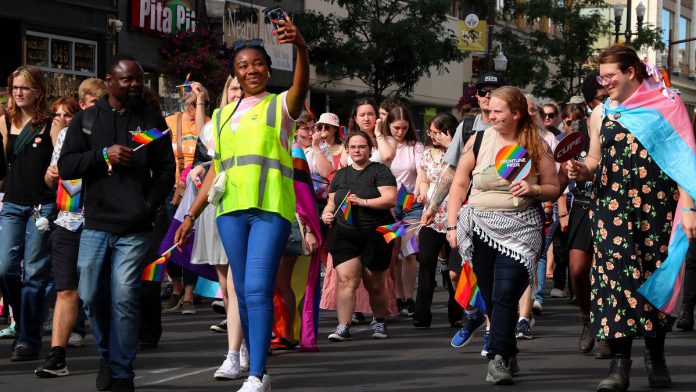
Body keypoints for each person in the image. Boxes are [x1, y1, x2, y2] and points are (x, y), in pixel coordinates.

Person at [175, 15, 309, 392]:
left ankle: (256, 374)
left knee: (255, 288)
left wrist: (300, 46)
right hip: (229, 211)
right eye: (242, 66)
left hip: (269, 210)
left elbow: (302, 82)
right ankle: (254, 364)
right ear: (234, 74)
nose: (251, 70)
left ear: (268, 68)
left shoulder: (281, 105)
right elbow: (217, 171)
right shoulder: (219, 117)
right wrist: (191, 215)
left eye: (258, 64)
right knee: (240, 292)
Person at [567, 45, 696, 392]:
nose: (604, 82)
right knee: (613, 284)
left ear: (632, 72)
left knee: (655, 281)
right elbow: (594, 160)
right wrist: (581, 171)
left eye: (610, 76)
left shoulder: (670, 106)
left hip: (656, 209)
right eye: (601, 76)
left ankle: (656, 357)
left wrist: (688, 208)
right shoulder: (601, 114)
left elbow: (684, 163)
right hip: (611, 210)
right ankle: (618, 365)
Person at [58, 54, 175, 392]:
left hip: (135, 227)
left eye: (139, 79)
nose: (135, 84)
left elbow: (166, 171)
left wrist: (149, 205)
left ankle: (123, 373)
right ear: (110, 81)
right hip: (95, 225)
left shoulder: (153, 120)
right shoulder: (86, 120)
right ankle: (109, 356)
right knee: (92, 295)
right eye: (128, 79)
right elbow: (67, 166)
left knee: (124, 295)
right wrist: (103, 155)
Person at [448, 86, 560, 385]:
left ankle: (496, 357)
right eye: (490, 111)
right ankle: (509, 349)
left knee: (506, 292)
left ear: (516, 113)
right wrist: (451, 225)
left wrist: (534, 189)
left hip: (521, 228)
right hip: (481, 226)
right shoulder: (480, 139)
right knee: (489, 294)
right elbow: (459, 184)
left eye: (498, 111)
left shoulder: (536, 144)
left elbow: (553, 186)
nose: (491, 115)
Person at [422, 72, 505, 352]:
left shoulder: (513, 126)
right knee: (457, 275)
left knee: (491, 277)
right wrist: (434, 206)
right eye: (482, 92)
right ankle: (472, 313)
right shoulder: (468, 126)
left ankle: (492, 334)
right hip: (467, 213)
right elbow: (452, 172)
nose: (487, 97)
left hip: (499, 213)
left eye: (493, 91)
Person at [35, 80, 108, 378]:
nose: (98, 108)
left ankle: (109, 354)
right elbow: (51, 179)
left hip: (102, 221)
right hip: (68, 220)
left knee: (95, 294)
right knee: (66, 289)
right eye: (93, 102)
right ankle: (57, 357)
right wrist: (51, 175)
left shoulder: (112, 133)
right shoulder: (66, 134)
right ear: (82, 104)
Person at [185, 77, 249, 380]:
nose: (237, 93)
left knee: (239, 286)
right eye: (232, 89)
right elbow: (209, 159)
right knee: (224, 284)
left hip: (247, 208)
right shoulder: (215, 125)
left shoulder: (258, 119)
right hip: (216, 206)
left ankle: (239, 350)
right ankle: (240, 343)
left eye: (241, 88)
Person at [0, 65, 56, 362]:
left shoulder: (50, 123)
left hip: (42, 206)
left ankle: (28, 338)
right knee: (5, 268)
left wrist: (57, 172)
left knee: (35, 272)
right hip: (11, 203)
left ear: (38, 91)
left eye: (24, 87)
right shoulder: (4, 121)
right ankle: (24, 323)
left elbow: (64, 163)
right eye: (15, 87)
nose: (18, 92)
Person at [322, 130, 397, 341]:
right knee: (346, 281)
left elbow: (390, 199)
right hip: (344, 233)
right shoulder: (340, 174)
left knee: (375, 284)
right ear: (347, 149)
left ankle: (380, 321)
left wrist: (363, 202)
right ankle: (343, 326)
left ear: (370, 149)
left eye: (362, 146)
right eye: (353, 147)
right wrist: (327, 214)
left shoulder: (380, 171)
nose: (357, 150)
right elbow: (331, 202)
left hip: (376, 232)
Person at [162, 82, 210, 315]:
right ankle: (177, 288)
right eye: (193, 104)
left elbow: (206, 140)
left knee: (191, 241)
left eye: (202, 103)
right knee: (172, 240)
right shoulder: (170, 122)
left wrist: (202, 106)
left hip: (199, 191)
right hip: (174, 192)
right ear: (185, 104)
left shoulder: (209, 124)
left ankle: (190, 292)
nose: (197, 108)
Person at [413, 113, 458, 328]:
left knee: (454, 269)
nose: (433, 136)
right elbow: (423, 180)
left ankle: (456, 313)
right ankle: (421, 315)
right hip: (430, 215)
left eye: (438, 132)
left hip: (454, 215)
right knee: (426, 264)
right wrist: (422, 195)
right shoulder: (427, 155)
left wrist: (452, 145)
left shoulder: (459, 152)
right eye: (431, 132)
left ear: (449, 132)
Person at [386, 105, 424, 316]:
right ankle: (397, 297)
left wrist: (417, 193)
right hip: (389, 203)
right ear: (388, 125)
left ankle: (409, 298)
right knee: (394, 254)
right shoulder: (382, 145)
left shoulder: (415, 146)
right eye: (396, 127)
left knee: (409, 252)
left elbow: (420, 172)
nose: (400, 132)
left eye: (403, 127)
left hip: (411, 203)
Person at [346, 98, 395, 165]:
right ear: (356, 119)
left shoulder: (388, 140)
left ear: (376, 116)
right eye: (362, 115)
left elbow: (387, 157)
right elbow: (342, 168)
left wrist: (378, 134)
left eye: (370, 114)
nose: (366, 119)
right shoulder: (349, 141)